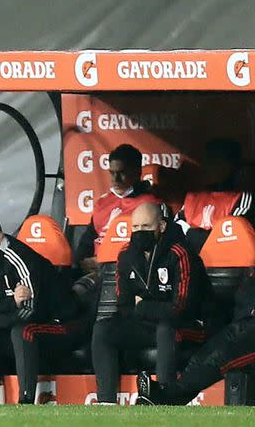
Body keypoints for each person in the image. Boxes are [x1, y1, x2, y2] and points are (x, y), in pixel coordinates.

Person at [91, 202, 207, 404]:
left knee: (166, 328)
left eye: (145, 227)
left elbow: (180, 309)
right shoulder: (126, 255)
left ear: (161, 227)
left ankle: (164, 396)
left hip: (188, 327)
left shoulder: (179, 254)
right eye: (135, 227)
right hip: (147, 326)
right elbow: (125, 305)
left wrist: (143, 306)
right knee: (103, 329)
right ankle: (105, 402)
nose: (139, 232)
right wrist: (152, 308)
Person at [0, 216, 81, 402]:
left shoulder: (20, 259)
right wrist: (12, 302)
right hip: (17, 321)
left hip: (61, 325)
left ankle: (25, 401)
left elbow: (28, 313)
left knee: (23, 332)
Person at [136, 270, 255, 405]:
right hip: (244, 323)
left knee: (223, 357)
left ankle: (164, 394)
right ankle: (164, 397)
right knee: (204, 355)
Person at [75, 144, 159, 275]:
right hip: (94, 273)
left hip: (132, 272)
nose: (116, 179)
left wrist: (105, 262)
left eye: (121, 173)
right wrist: (80, 262)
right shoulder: (102, 203)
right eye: (112, 173)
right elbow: (88, 240)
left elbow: (149, 249)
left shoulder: (151, 205)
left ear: (137, 172)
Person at [176, 138, 253, 252]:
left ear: (233, 166)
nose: (210, 167)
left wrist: (192, 233)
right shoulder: (193, 197)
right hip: (192, 264)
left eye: (217, 162)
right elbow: (176, 231)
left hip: (223, 266)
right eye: (208, 161)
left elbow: (230, 238)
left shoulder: (242, 198)